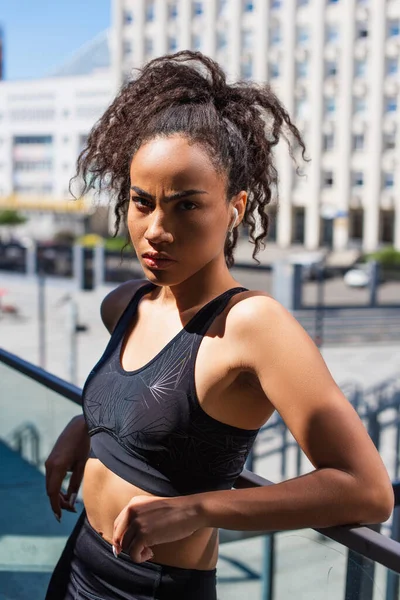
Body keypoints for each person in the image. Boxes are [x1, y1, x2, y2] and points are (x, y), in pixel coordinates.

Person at [44, 51, 393, 600]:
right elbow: (141, 408)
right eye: (142, 202)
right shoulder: (126, 303)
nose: (156, 229)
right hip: (80, 563)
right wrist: (85, 427)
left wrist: (196, 510)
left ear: (235, 208)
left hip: (157, 589)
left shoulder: (253, 325)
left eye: (186, 207)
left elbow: (367, 491)